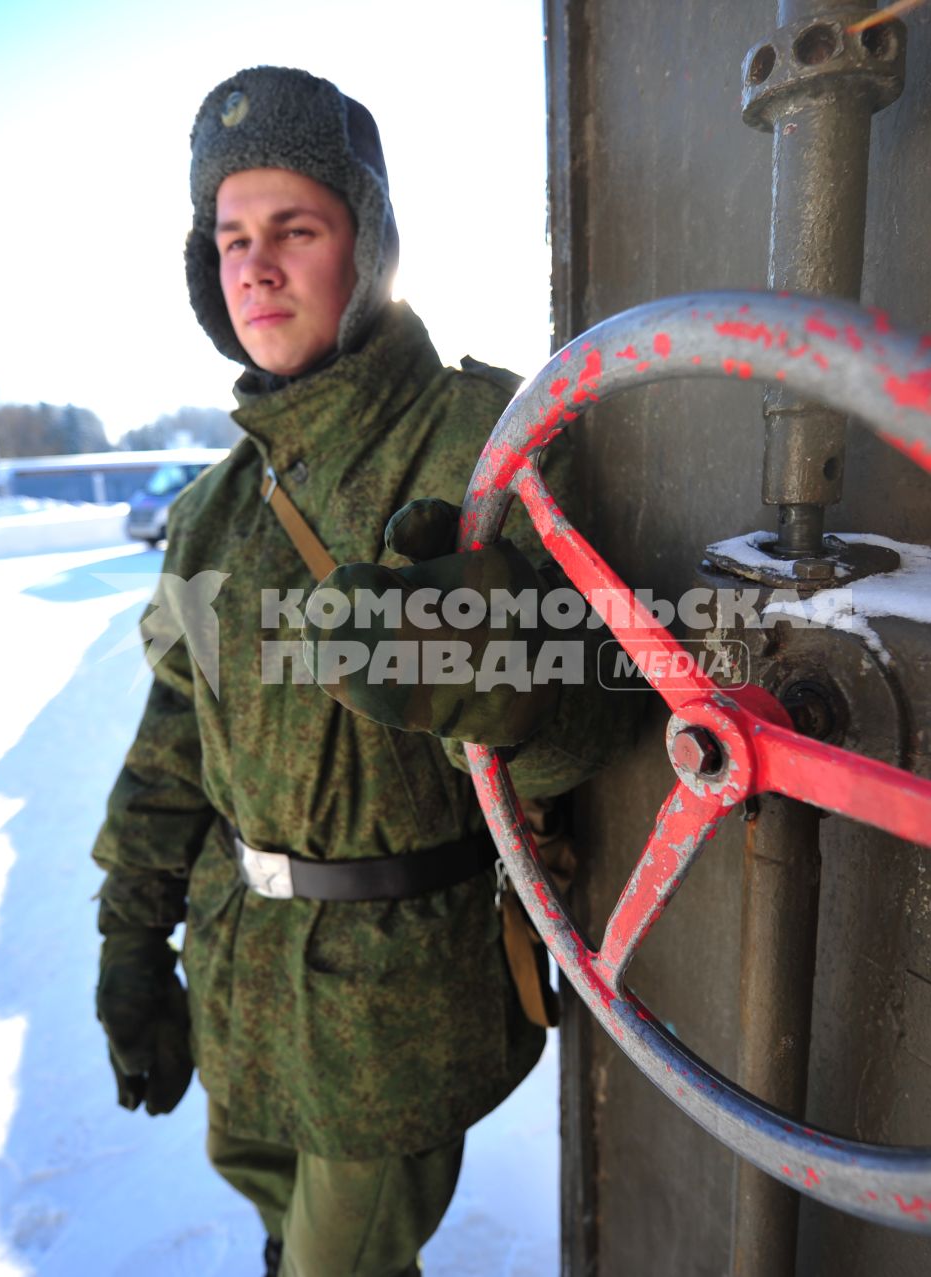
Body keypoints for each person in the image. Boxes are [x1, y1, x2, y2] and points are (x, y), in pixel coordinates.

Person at [90, 67, 630, 1277]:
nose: (256, 267)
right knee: (286, 1232)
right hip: (243, 971)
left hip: (401, 988)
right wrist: (129, 941)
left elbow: (609, 723)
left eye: (296, 228)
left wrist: (509, 682)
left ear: (369, 240)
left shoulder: (490, 438)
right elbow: (174, 736)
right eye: (230, 237)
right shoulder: (214, 511)